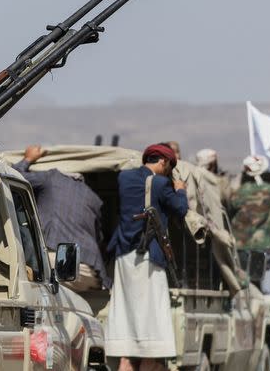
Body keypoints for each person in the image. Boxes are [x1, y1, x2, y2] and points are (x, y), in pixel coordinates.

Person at [106, 143, 188, 371]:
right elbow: (180, 210)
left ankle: (126, 360)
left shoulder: (124, 178)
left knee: (127, 313)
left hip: (124, 256)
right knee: (152, 317)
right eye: (170, 166)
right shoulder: (161, 183)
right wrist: (180, 189)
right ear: (163, 162)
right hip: (148, 257)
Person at [12, 145, 109, 291]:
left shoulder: (52, 177)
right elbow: (100, 239)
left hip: (57, 263)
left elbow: (14, 177)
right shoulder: (94, 198)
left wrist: (28, 159)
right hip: (90, 272)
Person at [225, 155, 270, 296]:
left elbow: (230, 209)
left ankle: (245, 311)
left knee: (244, 280)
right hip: (264, 242)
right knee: (266, 276)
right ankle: (268, 312)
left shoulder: (237, 192)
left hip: (241, 243)